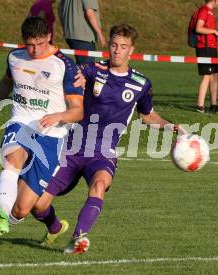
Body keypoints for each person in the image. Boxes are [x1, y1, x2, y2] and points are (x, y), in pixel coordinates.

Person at [31, 24, 185, 254]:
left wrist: (171, 126)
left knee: (99, 184)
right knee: (37, 204)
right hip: (72, 148)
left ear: (131, 50)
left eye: (123, 46)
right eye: (114, 45)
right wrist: (75, 79)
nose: (117, 50)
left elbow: (148, 116)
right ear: (108, 46)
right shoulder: (94, 70)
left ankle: (78, 237)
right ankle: (54, 227)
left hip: (102, 152)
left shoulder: (141, 83)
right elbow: (73, 75)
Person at [0, 17, 84, 250]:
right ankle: (1, 214)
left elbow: (78, 111)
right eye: (29, 44)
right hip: (20, 123)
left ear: (49, 37)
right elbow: (4, 85)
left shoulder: (65, 65)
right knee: (12, 159)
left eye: (39, 44)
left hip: (52, 136)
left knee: (22, 209)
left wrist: (59, 116)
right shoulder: (15, 57)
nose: (34, 50)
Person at [194, 0, 218, 114]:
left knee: (214, 76)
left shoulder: (210, 12)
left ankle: (213, 105)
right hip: (204, 47)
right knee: (207, 75)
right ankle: (200, 106)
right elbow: (198, 28)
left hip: (211, 47)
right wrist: (215, 31)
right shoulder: (204, 10)